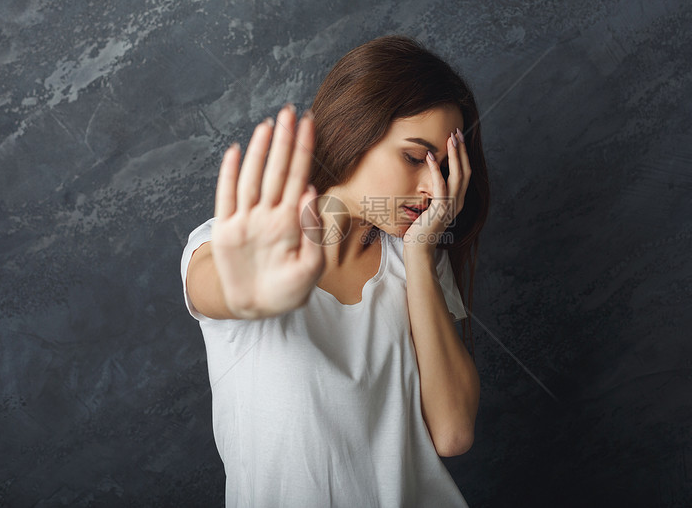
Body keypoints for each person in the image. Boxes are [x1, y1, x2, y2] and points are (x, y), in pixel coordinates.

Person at [180, 35, 490, 507]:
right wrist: (250, 287)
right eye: (414, 157)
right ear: (354, 131)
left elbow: (452, 433)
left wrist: (421, 256)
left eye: (444, 168)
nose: (433, 187)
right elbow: (212, 286)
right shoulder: (236, 242)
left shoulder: (417, 256)